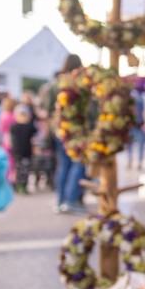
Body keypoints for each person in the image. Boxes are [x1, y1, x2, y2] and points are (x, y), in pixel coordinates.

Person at [48, 54, 88, 214]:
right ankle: (71, 199)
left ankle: (60, 200)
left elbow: (48, 108)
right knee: (78, 163)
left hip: (58, 128)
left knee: (64, 165)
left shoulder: (54, 84)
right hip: (74, 129)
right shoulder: (79, 83)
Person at [9, 103, 37, 193]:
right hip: (20, 152)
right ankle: (20, 186)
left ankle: (21, 185)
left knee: (24, 170)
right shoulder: (19, 127)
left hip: (23, 151)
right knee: (21, 170)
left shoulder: (15, 127)